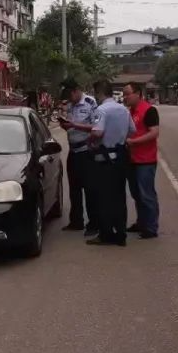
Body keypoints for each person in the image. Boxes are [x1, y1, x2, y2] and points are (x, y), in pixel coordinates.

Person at [83, 79, 134, 246]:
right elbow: (132, 130)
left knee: (104, 198)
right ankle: (121, 233)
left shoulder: (102, 110)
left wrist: (89, 140)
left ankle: (106, 234)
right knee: (119, 197)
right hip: (121, 157)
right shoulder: (124, 110)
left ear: (99, 93)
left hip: (104, 159)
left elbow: (97, 132)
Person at [57, 78, 100, 236]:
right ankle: (76, 221)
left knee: (90, 189)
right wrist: (65, 125)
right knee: (74, 189)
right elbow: (70, 127)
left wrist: (74, 125)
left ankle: (94, 224)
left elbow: (97, 127)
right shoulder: (69, 105)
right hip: (73, 152)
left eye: (70, 95)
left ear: (76, 91)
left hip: (87, 151)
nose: (69, 99)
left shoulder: (91, 103)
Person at [122, 82, 160, 239]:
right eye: (124, 94)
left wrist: (133, 142)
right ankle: (141, 222)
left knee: (147, 194)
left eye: (127, 94)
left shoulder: (149, 110)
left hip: (145, 160)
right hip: (131, 159)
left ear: (138, 93)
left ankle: (151, 227)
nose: (125, 97)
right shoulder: (129, 112)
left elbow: (154, 132)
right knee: (136, 194)